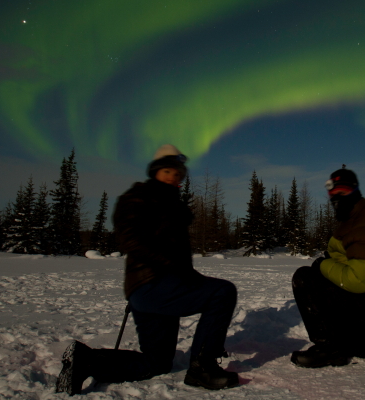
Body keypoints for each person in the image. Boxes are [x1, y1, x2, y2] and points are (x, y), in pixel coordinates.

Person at [56, 144, 239, 396]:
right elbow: (130, 240)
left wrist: (184, 274)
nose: (173, 178)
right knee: (223, 292)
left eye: (177, 174)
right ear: (155, 172)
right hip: (153, 284)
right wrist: (168, 266)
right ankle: (202, 368)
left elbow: (177, 257)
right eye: (167, 171)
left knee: (157, 363)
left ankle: (86, 361)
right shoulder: (137, 197)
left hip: (155, 289)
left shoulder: (172, 205)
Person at [290, 166, 365, 369]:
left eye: (343, 192)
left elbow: (358, 281)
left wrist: (323, 264)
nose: (336, 199)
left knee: (305, 278)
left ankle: (331, 347)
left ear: (355, 192)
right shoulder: (355, 219)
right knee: (356, 347)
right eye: (332, 194)